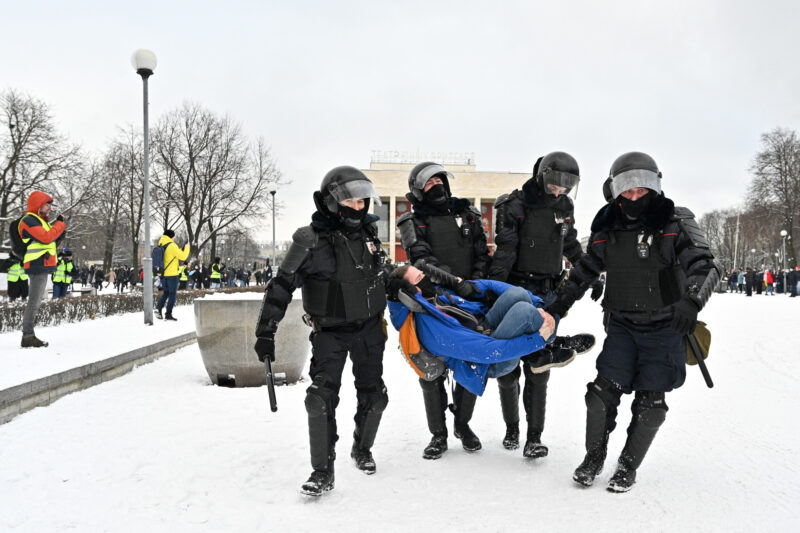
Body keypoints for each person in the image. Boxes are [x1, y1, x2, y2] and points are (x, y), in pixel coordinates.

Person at [548, 152, 720, 492]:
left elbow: (706, 265)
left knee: (651, 403)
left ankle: (628, 465)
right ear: (615, 190)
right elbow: (583, 272)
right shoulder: (607, 227)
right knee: (600, 394)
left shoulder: (674, 222)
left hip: (666, 326)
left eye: (642, 189)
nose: (635, 196)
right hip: (623, 325)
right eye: (627, 189)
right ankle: (593, 457)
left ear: (655, 185)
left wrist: (692, 300)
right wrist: (556, 307)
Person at [254, 166, 389, 497]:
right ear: (331, 202)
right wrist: (266, 330)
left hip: (370, 329)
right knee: (319, 399)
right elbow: (282, 286)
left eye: (362, 203)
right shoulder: (309, 241)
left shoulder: (370, 237)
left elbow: (381, 276)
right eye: (350, 202)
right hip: (330, 332)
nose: (357, 209)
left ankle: (362, 449)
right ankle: (322, 471)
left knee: (375, 397)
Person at [487, 152, 597, 458]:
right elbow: (505, 249)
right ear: (542, 175)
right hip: (515, 290)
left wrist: (590, 272)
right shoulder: (516, 204)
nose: (559, 190)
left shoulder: (564, 206)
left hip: (549, 292)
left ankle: (534, 437)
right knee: (509, 366)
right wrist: (495, 291)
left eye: (567, 185)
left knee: (540, 365)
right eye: (555, 183)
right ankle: (512, 428)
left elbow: (571, 243)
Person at [397, 161, 490, 458]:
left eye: (439, 180)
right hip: (433, 301)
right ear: (417, 191)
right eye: (428, 183)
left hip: (470, 298)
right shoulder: (411, 222)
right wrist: (453, 282)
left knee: (470, 360)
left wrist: (473, 284)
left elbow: (481, 252)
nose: (436, 185)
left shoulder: (468, 215)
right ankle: (438, 434)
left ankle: (462, 425)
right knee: (431, 368)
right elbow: (421, 260)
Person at [388, 263, 563, 388]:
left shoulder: (436, 298)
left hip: (485, 329)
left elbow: (483, 285)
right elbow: (485, 352)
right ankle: (547, 343)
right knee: (525, 312)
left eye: (423, 273)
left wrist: (538, 303)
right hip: (486, 362)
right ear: (413, 290)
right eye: (419, 277)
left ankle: (548, 342)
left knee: (517, 294)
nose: (425, 278)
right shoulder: (429, 328)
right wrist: (538, 339)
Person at [18, 191, 67, 347]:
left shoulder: (40, 221)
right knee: (34, 302)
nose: (50, 209)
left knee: (36, 301)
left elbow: (50, 241)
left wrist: (60, 231)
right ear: (38, 204)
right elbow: (46, 237)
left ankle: (28, 335)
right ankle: (27, 336)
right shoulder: (29, 220)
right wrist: (59, 225)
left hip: (42, 264)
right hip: (36, 265)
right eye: (47, 205)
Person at [155, 229, 190, 320]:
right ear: (171, 236)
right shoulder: (172, 245)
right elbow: (183, 257)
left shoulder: (161, 244)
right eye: (174, 237)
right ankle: (168, 314)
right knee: (172, 295)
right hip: (172, 274)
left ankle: (158, 309)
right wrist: (187, 247)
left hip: (163, 274)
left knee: (166, 293)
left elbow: (172, 255)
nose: (174, 238)